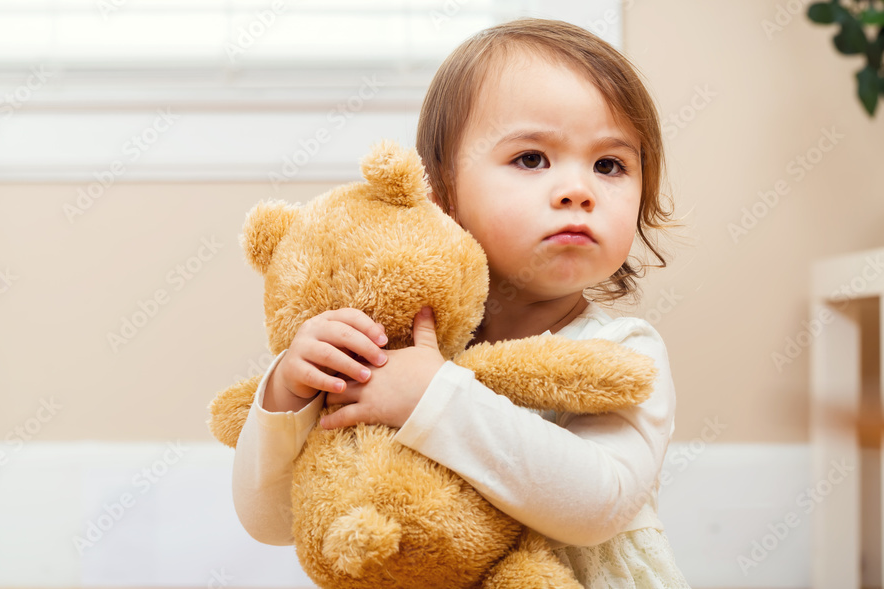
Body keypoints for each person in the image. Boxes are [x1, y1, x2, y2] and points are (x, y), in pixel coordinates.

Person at [231, 17, 691, 588]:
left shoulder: (622, 354)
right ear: (441, 193)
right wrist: (287, 396)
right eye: (531, 158)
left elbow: (598, 504)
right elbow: (274, 521)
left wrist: (433, 396)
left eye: (609, 165)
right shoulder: (388, 351)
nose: (579, 191)